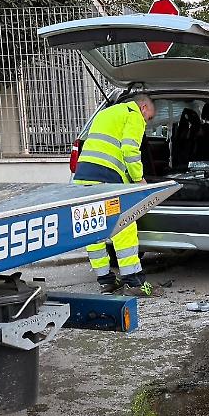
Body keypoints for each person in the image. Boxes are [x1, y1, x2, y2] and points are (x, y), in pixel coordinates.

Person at [72, 94, 159, 297]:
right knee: (124, 226)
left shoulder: (106, 112)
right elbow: (129, 150)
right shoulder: (133, 114)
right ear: (143, 107)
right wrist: (139, 179)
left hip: (83, 176)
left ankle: (106, 281)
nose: (146, 123)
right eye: (149, 118)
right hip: (107, 176)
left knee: (94, 229)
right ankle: (134, 282)